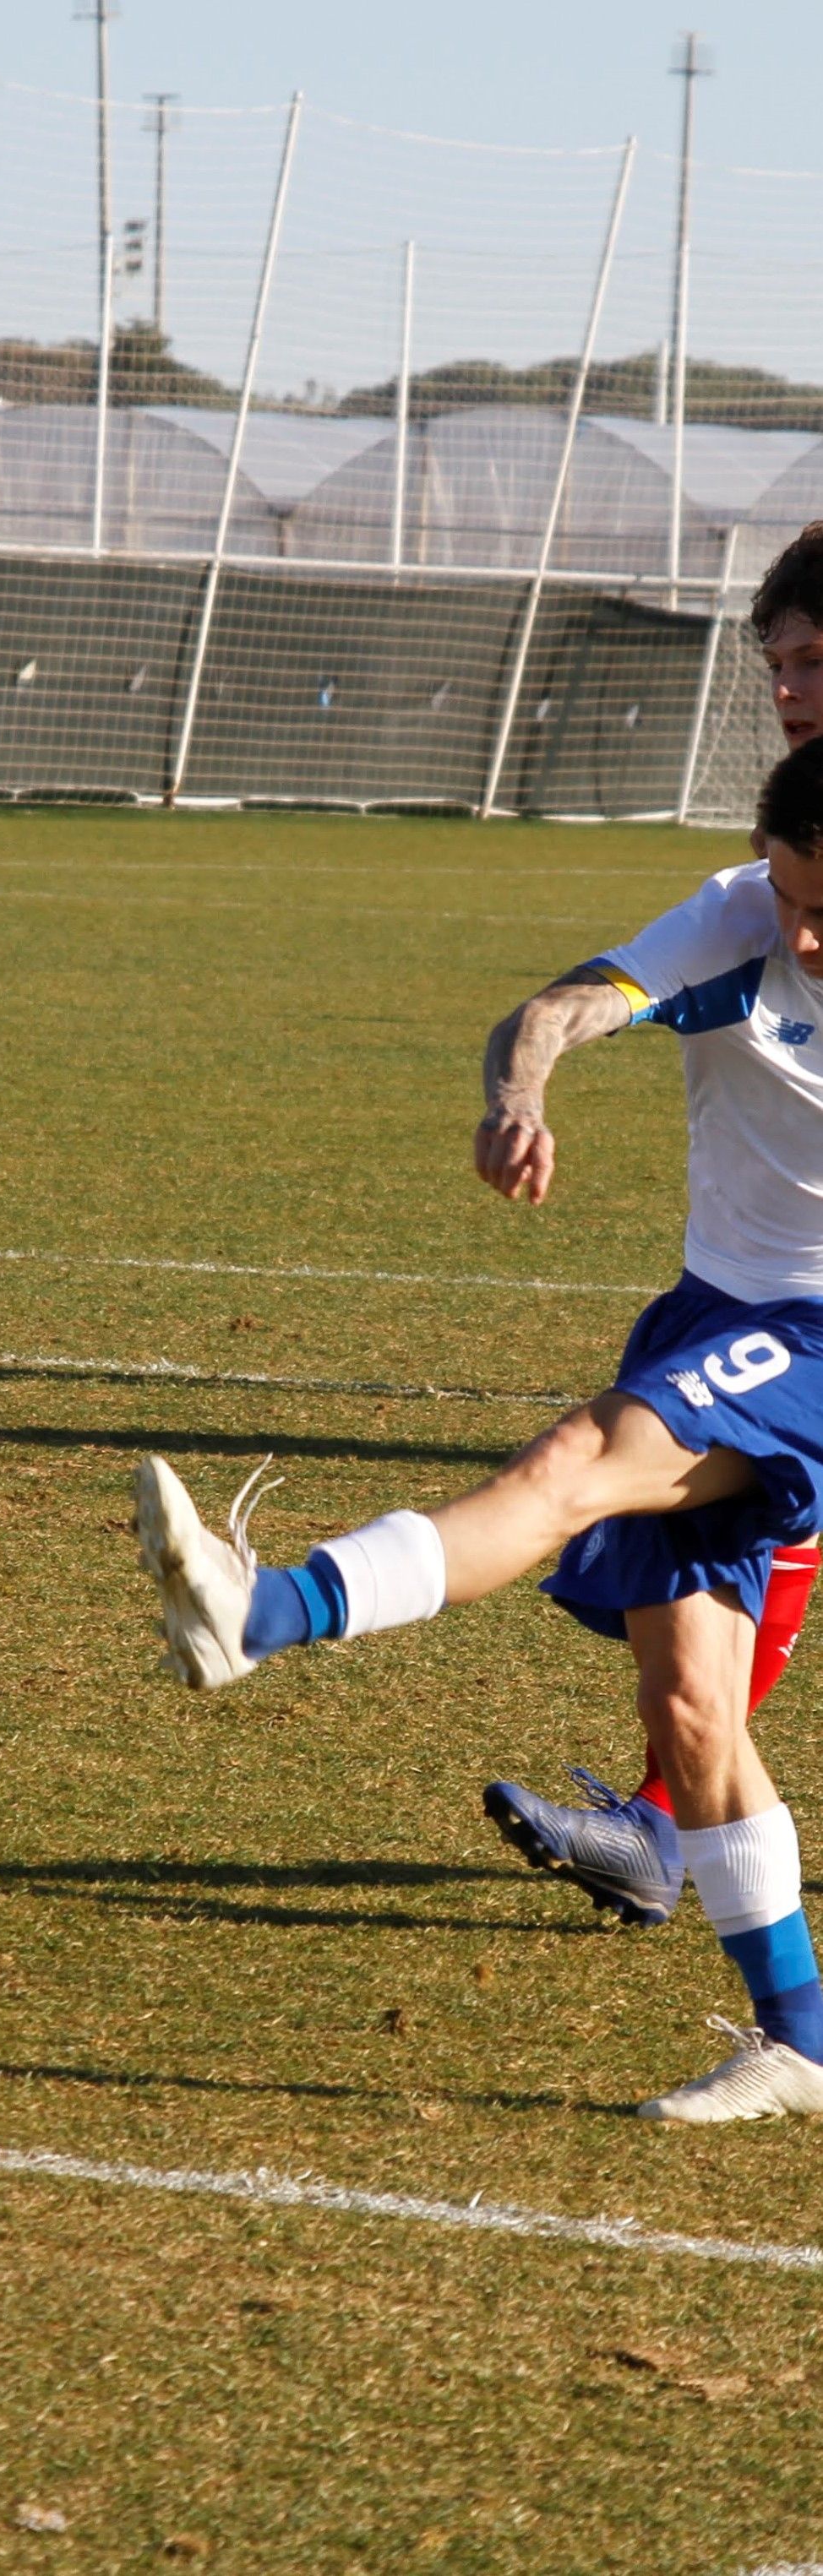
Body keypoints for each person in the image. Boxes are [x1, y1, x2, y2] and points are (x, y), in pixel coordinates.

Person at [134, 738, 823, 2122]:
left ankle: (265, 1608)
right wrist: (518, 1091)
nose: (800, 930)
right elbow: (560, 1007)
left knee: (567, 1467)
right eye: (793, 895)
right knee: (689, 1712)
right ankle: (801, 2043)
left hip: (812, 1342)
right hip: (710, 1319)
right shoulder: (736, 911)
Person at [482, 525, 823, 1916]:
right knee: (756, 1534)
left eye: (814, 658)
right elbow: (579, 995)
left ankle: (670, 1826)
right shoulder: (760, 886)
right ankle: (667, 1821)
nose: (788, 686)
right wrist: (526, 1073)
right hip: (765, 1299)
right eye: (778, 664)